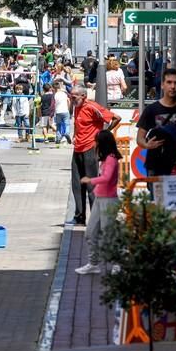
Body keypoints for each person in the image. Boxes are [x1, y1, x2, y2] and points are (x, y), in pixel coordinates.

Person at [68, 85, 121, 226]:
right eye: (70, 96)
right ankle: (79, 217)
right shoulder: (76, 106)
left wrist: (103, 135)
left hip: (90, 149)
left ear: (83, 96)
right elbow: (78, 124)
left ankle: (96, 217)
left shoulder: (92, 107)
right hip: (78, 148)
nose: (71, 99)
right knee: (77, 184)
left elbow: (116, 118)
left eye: (73, 97)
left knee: (91, 185)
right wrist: (74, 136)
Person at [75, 130, 122, 275]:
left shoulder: (111, 159)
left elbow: (107, 178)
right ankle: (93, 263)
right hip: (100, 199)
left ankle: (116, 263)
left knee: (108, 233)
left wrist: (90, 180)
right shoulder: (105, 159)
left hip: (109, 201)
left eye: (97, 142)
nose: (96, 145)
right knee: (90, 233)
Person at [136, 68, 176, 177]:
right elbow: (140, 138)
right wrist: (146, 144)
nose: (173, 86)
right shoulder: (151, 110)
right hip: (156, 167)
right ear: (162, 85)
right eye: (169, 82)